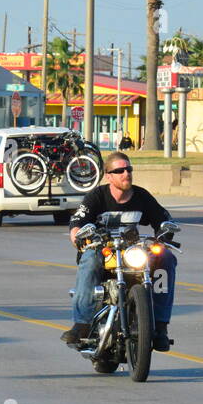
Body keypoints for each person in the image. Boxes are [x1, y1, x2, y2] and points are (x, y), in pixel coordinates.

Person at [61, 151, 177, 352]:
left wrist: (165, 233)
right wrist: (79, 237)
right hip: (103, 250)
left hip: (132, 251)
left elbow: (163, 219)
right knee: (89, 260)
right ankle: (81, 324)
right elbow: (77, 223)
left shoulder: (142, 196)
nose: (126, 174)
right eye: (120, 170)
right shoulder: (96, 197)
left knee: (166, 257)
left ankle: (160, 326)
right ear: (109, 176)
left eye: (129, 169)